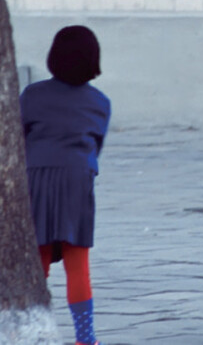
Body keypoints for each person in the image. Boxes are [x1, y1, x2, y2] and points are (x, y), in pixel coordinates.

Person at [20, 26, 111, 345]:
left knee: (38, 262)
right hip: (77, 180)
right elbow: (95, 145)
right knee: (77, 265)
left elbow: (20, 138)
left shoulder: (32, 95)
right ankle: (85, 338)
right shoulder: (100, 102)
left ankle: (33, 331)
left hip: (37, 177)